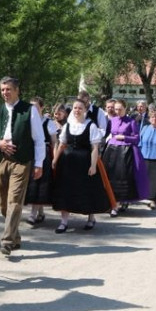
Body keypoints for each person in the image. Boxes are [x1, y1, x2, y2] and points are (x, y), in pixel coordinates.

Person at [0, 76, 45, 256]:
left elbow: (39, 139)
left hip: (21, 160)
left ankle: (7, 241)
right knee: (4, 205)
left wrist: (39, 163)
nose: (5, 93)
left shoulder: (29, 110)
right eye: (2, 89)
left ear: (17, 90)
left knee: (15, 201)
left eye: (8, 89)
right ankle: (15, 237)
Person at [51, 99, 112, 232]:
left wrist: (93, 165)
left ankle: (91, 218)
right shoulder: (68, 125)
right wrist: (55, 159)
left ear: (85, 110)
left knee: (87, 190)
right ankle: (64, 221)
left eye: (80, 108)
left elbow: (94, 148)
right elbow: (62, 144)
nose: (77, 110)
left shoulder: (91, 126)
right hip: (67, 163)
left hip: (84, 163)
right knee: (65, 190)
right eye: (75, 108)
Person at [101, 99, 149, 216]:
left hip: (125, 152)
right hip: (112, 151)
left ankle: (120, 203)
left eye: (120, 109)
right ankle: (112, 203)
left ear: (125, 108)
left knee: (123, 178)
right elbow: (106, 134)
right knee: (110, 177)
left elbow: (137, 138)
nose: (117, 111)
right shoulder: (112, 120)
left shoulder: (131, 122)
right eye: (116, 109)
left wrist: (124, 137)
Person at [24, 97, 58, 225]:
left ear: (42, 108)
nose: (33, 109)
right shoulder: (27, 121)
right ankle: (41, 212)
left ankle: (33, 214)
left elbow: (54, 142)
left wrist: (55, 158)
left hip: (43, 155)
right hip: (29, 154)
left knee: (38, 183)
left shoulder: (48, 122)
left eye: (36, 107)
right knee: (31, 184)